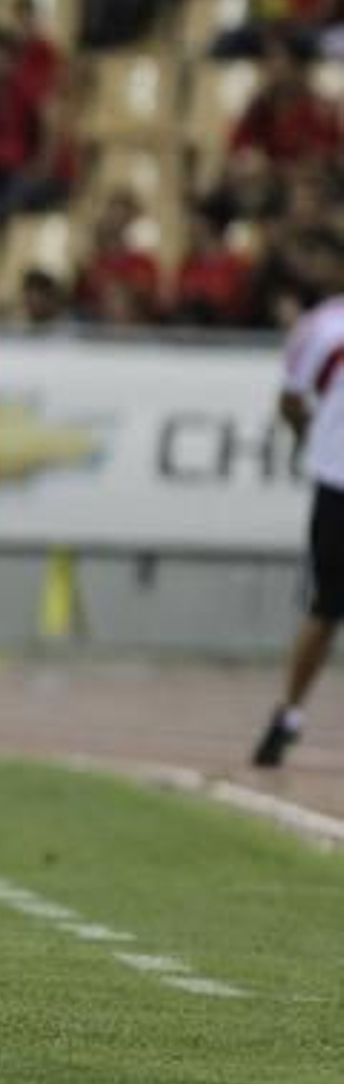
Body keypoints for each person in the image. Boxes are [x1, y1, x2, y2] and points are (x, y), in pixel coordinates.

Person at [252, 289, 344, 767]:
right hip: (338, 480)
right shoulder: (326, 326)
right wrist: (315, 436)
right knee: (327, 606)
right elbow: (291, 396)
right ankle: (288, 711)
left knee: (326, 607)